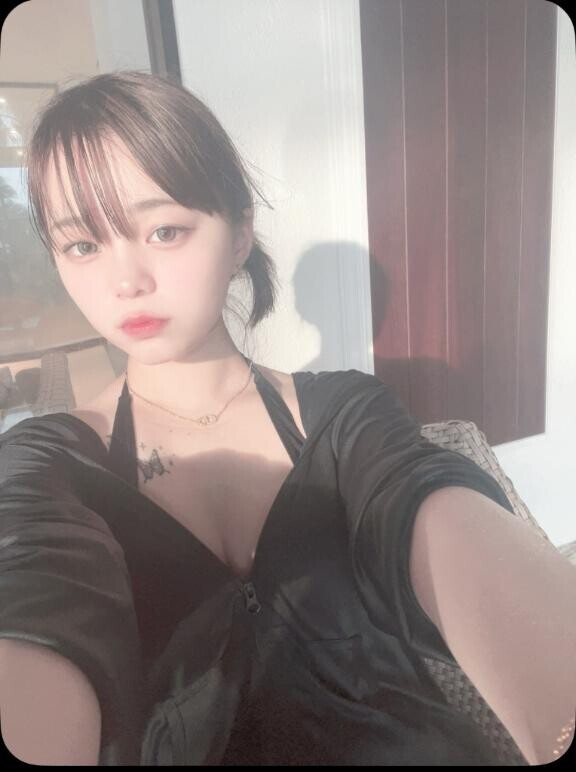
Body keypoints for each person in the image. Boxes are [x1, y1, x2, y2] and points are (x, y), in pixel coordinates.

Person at [0, 71, 573, 766]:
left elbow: (430, 508)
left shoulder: (345, 415)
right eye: (83, 245)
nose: (125, 282)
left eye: (164, 230)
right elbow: (32, 593)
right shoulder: (52, 466)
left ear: (240, 232)